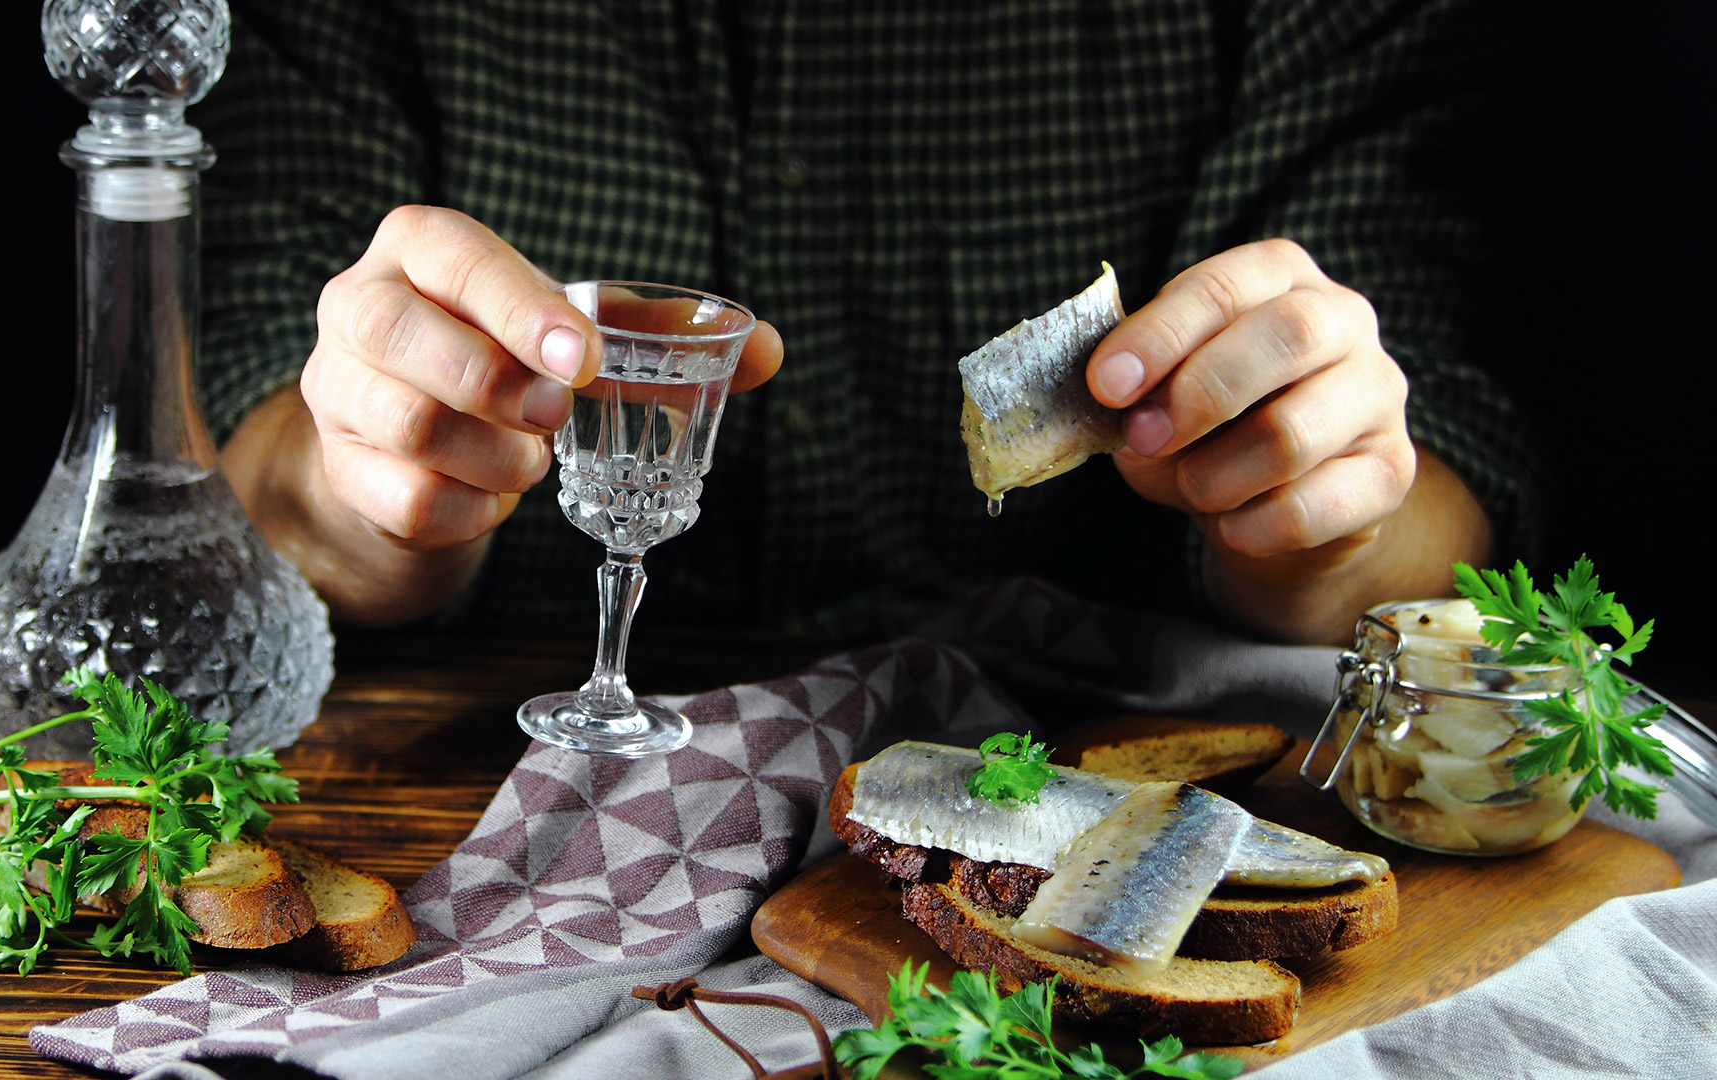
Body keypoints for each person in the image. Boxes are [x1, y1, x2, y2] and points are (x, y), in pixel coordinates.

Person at [195, 0, 1529, 647]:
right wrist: (358, 497)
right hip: (479, 800)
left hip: (1095, 800)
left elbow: (1441, 492)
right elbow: (240, 453)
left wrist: (1320, 527)